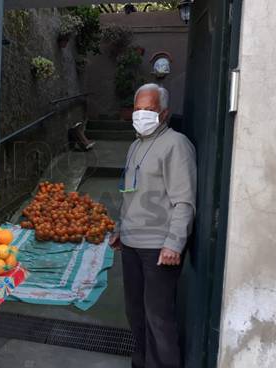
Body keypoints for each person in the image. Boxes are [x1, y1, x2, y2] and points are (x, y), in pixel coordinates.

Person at [110, 83, 197, 368]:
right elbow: (130, 192)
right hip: (133, 244)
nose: (141, 115)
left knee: (158, 317)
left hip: (159, 248)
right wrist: (121, 229)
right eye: (138, 109)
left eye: (149, 110)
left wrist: (174, 243)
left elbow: (184, 200)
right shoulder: (136, 145)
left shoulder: (177, 145)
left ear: (164, 113)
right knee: (135, 313)